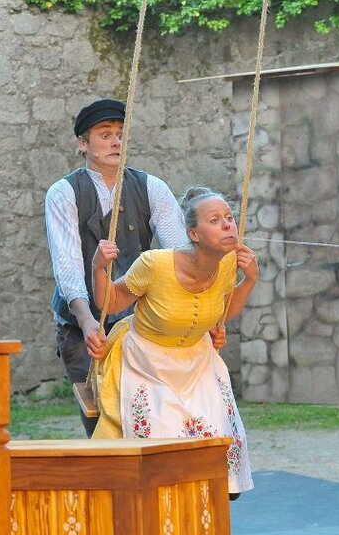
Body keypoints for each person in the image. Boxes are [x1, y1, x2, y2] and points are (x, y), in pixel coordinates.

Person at [89, 186, 257, 498]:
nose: (228, 225)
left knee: (219, 446)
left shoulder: (229, 264)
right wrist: (99, 266)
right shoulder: (155, 264)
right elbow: (109, 302)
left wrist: (249, 280)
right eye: (215, 219)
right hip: (148, 363)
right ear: (194, 234)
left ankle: (206, 513)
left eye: (229, 218)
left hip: (197, 361)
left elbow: (225, 312)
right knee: (161, 445)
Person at [44, 98, 188, 436]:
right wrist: (87, 319)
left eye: (121, 134)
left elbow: (179, 255)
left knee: (149, 416)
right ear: (83, 144)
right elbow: (67, 265)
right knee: (100, 419)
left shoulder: (152, 187)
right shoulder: (63, 193)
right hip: (82, 325)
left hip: (141, 324)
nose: (115, 142)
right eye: (105, 134)